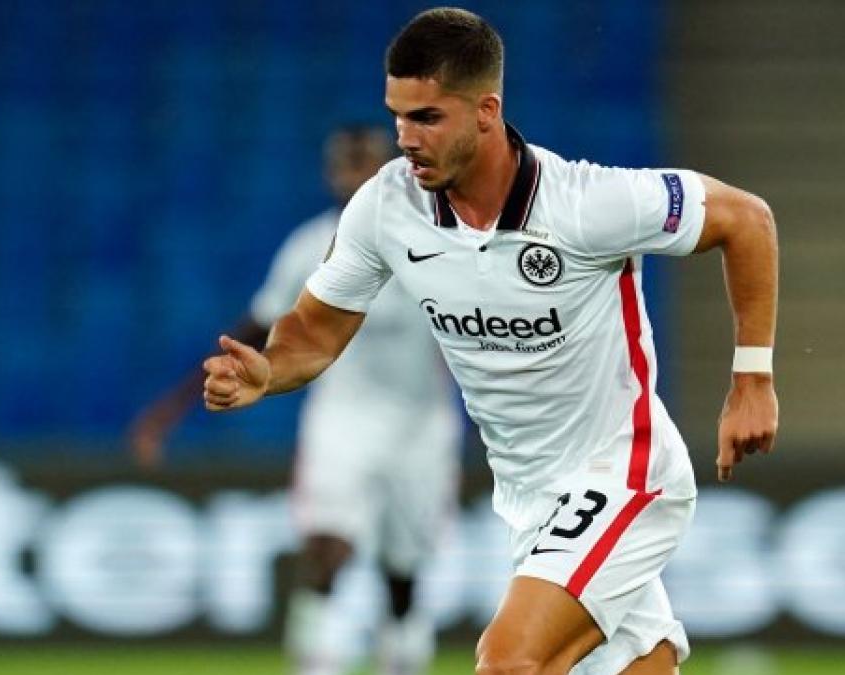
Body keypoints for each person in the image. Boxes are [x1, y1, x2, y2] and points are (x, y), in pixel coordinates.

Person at [202, 7, 779, 674]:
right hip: (529, 497)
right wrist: (269, 369)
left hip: (623, 472)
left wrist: (752, 381)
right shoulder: (388, 208)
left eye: (427, 118)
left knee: (508, 661)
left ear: (486, 111)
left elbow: (746, 219)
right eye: (398, 117)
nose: (406, 139)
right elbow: (316, 328)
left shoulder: (587, 203)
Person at [129, 125, 461, 675]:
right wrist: (172, 408)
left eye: (366, 162)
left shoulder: (439, 239)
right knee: (327, 544)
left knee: (403, 566)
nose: (356, 175)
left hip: (422, 423)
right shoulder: (309, 247)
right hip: (343, 418)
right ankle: (316, 659)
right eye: (346, 164)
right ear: (331, 174)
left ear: (392, 168)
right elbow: (258, 325)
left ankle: (401, 657)